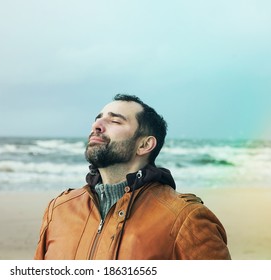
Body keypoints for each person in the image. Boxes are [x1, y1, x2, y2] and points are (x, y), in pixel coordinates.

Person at [34, 94, 231, 260]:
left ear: (144, 145)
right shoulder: (59, 210)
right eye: (98, 119)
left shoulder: (185, 218)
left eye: (115, 121)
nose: (97, 125)